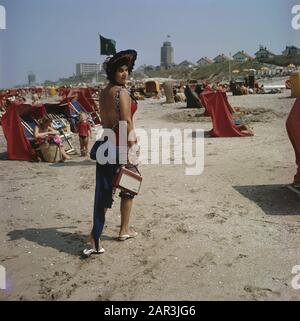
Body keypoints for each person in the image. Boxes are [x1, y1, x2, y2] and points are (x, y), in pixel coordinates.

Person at [83, 49, 140, 257]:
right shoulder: (122, 93)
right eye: (120, 70)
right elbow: (125, 122)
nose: (124, 74)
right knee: (129, 185)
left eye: (126, 70)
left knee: (105, 191)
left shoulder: (104, 91)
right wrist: (132, 146)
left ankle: (95, 235)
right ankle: (124, 230)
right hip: (121, 144)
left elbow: (105, 120)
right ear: (112, 72)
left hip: (106, 142)